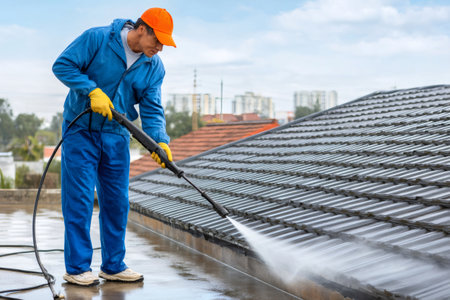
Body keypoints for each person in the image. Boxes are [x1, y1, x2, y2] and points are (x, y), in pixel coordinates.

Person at [52, 7, 176, 286]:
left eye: (164, 44)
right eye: (157, 41)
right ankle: (77, 269)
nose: (159, 48)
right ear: (141, 29)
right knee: (80, 200)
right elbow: (62, 65)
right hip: (79, 129)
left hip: (117, 134)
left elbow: (152, 107)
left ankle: (113, 265)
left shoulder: (154, 66)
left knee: (117, 202)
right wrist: (91, 90)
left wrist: (161, 141)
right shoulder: (97, 39)